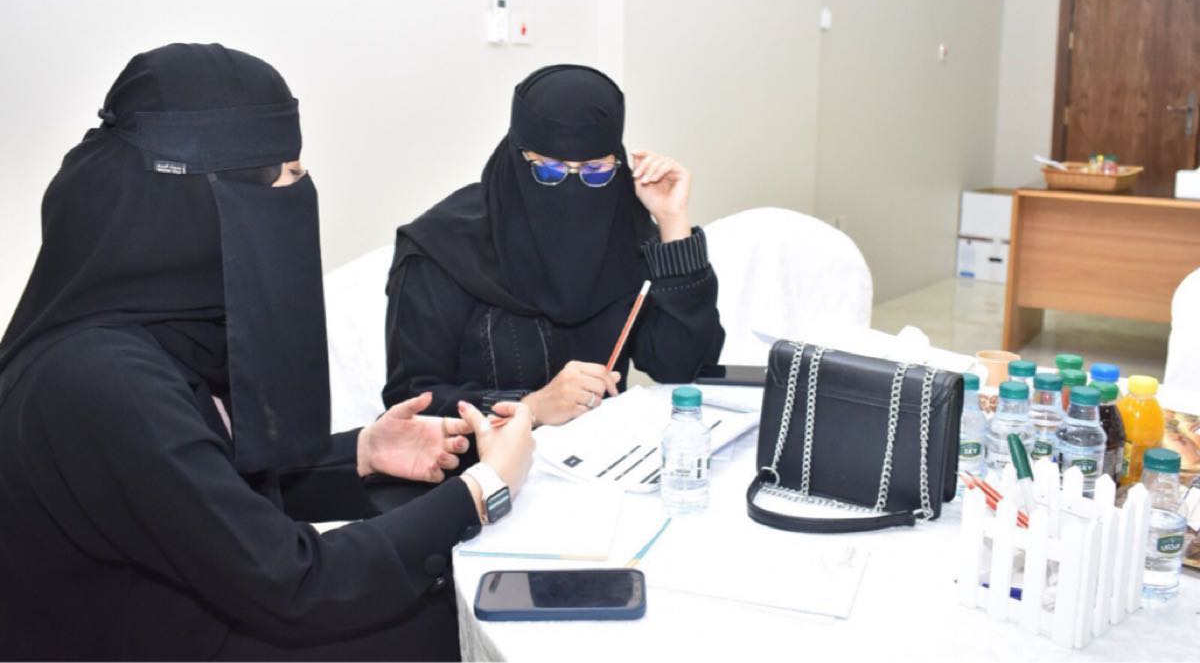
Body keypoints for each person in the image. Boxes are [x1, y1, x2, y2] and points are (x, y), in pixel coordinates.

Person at [0, 43, 534, 661]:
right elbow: (294, 582)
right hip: (171, 640)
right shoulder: (107, 380)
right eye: (286, 176)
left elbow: (204, 498)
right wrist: (485, 490)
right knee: (454, 623)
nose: (301, 193)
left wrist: (363, 453)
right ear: (204, 199)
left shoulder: (152, 331)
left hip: (195, 610)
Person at [384, 64, 724, 426]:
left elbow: (682, 367)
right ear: (516, 156)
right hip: (480, 456)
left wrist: (672, 222)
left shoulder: (623, 232)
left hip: (601, 450)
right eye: (548, 170)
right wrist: (529, 407)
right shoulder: (441, 250)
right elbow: (409, 403)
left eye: (595, 171)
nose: (572, 188)